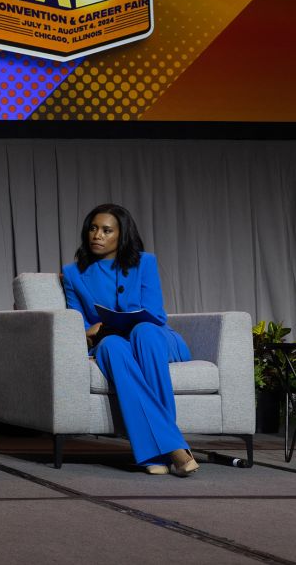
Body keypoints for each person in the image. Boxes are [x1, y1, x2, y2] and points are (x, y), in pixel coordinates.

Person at [61, 203, 199, 477]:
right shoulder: (73, 273)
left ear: (121, 235)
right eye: (93, 228)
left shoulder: (145, 263)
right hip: (111, 340)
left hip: (155, 339)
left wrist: (127, 318)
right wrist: (87, 331)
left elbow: (156, 315)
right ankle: (174, 450)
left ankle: (158, 452)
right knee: (111, 346)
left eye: (106, 230)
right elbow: (77, 322)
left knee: (143, 332)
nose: (97, 235)